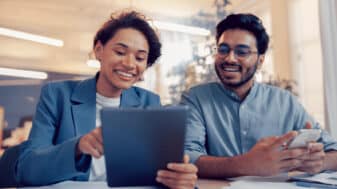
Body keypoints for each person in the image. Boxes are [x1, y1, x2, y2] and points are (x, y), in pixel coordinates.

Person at [16, 11, 198, 188]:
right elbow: (26, 169)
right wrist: (78, 147)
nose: (129, 64)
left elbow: (157, 175)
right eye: (120, 52)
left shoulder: (150, 103)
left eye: (140, 57)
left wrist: (179, 178)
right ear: (98, 50)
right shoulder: (57, 95)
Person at [181, 13, 337, 178]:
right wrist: (247, 165)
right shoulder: (196, 98)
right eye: (223, 49)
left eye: (242, 52)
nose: (230, 58)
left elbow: (333, 153)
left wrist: (320, 162)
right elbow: (186, 158)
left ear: (260, 60)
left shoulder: (285, 101)